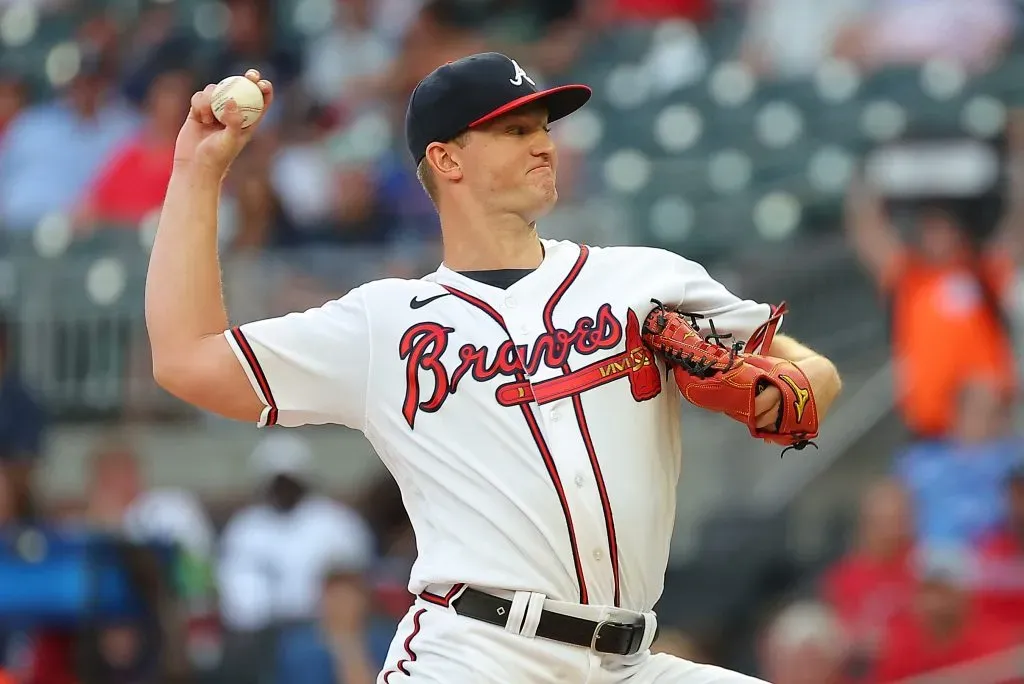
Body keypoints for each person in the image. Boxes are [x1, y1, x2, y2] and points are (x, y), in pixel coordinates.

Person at [146, 54, 842, 683]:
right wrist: (197, 171)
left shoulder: (644, 280)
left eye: (542, 125)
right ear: (447, 160)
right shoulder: (384, 323)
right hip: (477, 654)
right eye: (514, 130)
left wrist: (797, 388)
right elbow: (187, 359)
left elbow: (811, 369)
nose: (544, 141)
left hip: (630, 663)